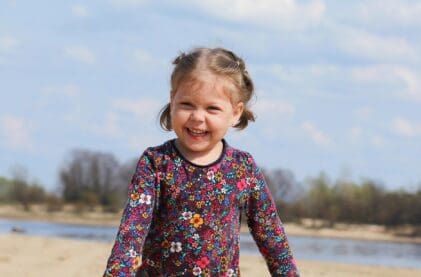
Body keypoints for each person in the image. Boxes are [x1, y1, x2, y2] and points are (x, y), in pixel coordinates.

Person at [104, 47, 300, 276]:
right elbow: (131, 233)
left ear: (236, 112)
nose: (198, 117)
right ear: (172, 99)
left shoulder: (242, 168)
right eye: (187, 104)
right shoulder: (156, 163)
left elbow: (271, 235)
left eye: (212, 108)